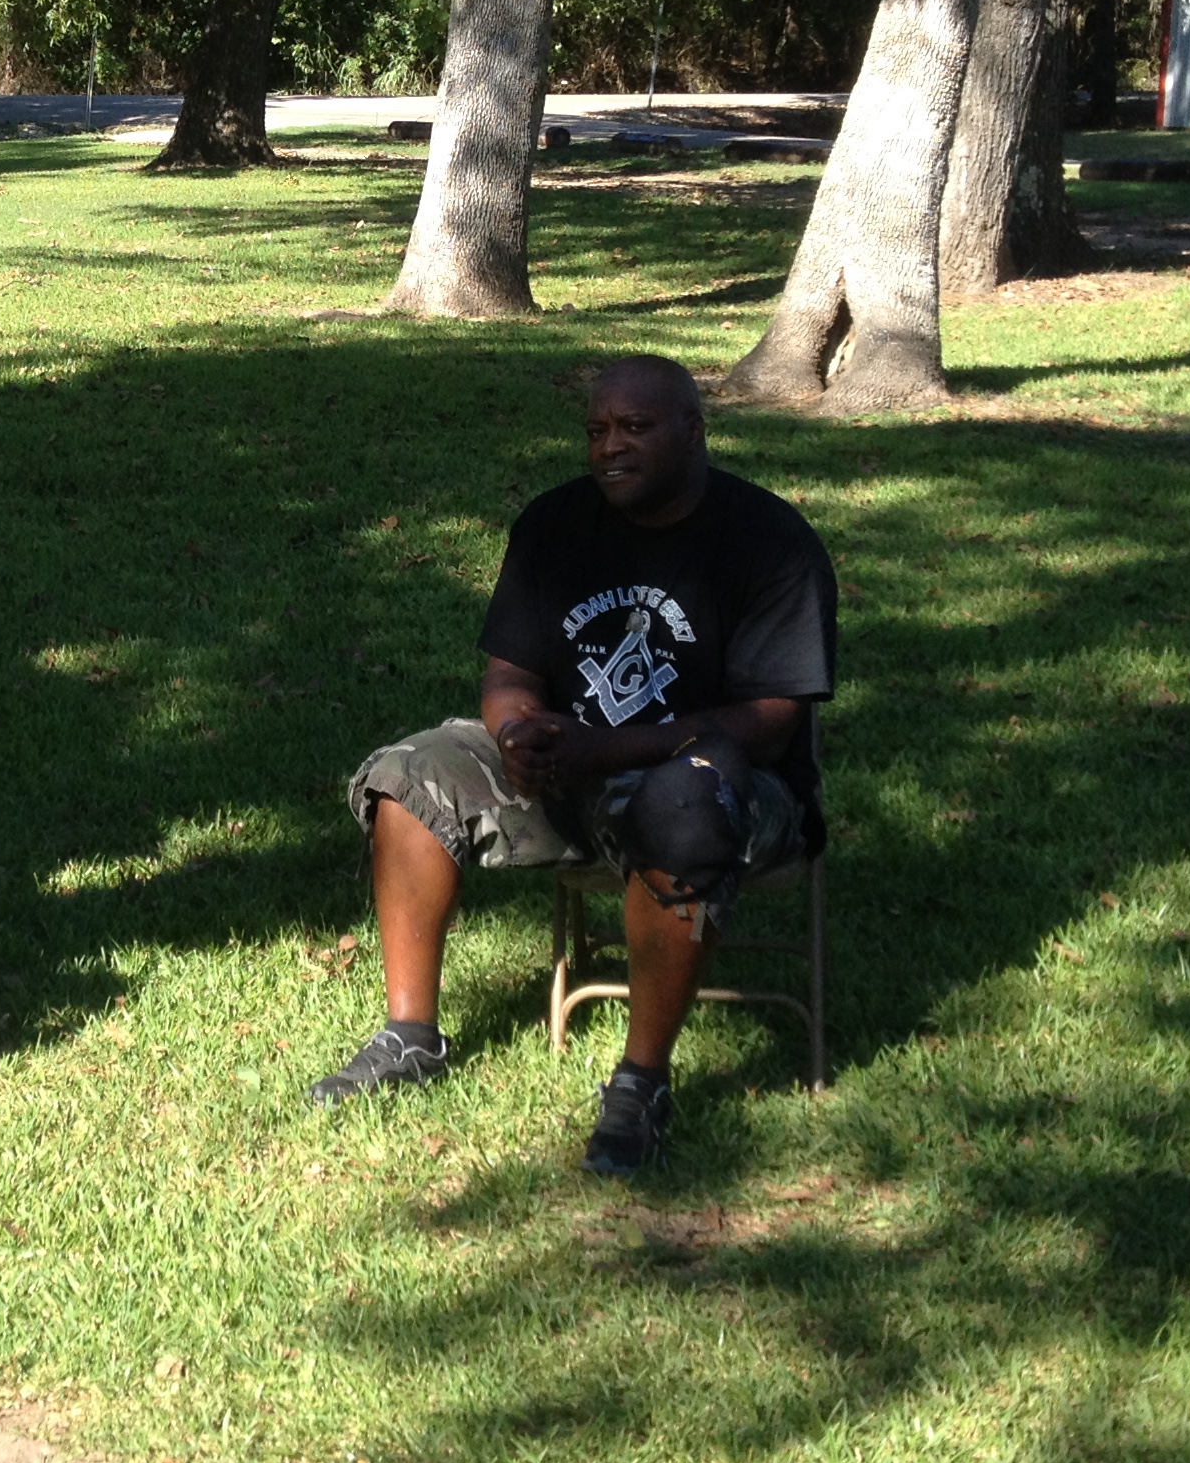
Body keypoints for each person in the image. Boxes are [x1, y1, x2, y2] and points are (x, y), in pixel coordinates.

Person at [310, 355, 835, 1176]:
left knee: (684, 806)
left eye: (635, 428)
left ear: (694, 431)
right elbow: (509, 676)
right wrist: (517, 735)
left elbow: (771, 722)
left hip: (726, 786)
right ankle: (411, 1038)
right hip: (568, 769)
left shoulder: (769, 543)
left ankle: (640, 1084)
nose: (610, 447)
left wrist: (602, 749)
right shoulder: (554, 524)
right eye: (597, 430)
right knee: (408, 775)